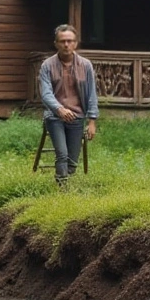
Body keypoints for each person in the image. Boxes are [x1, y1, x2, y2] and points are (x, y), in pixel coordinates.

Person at [38, 24, 99, 186]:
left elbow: (92, 93)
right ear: (56, 43)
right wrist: (59, 109)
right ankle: (62, 190)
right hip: (55, 117)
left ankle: (67, 183)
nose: (66, 45)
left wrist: (92, 121)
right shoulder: (47, 66)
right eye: (62, 41)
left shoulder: (85, 65)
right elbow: (45, 94)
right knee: (62, 154)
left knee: (72, 160)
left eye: (70, 41)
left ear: (76, 43)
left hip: (77, 116)